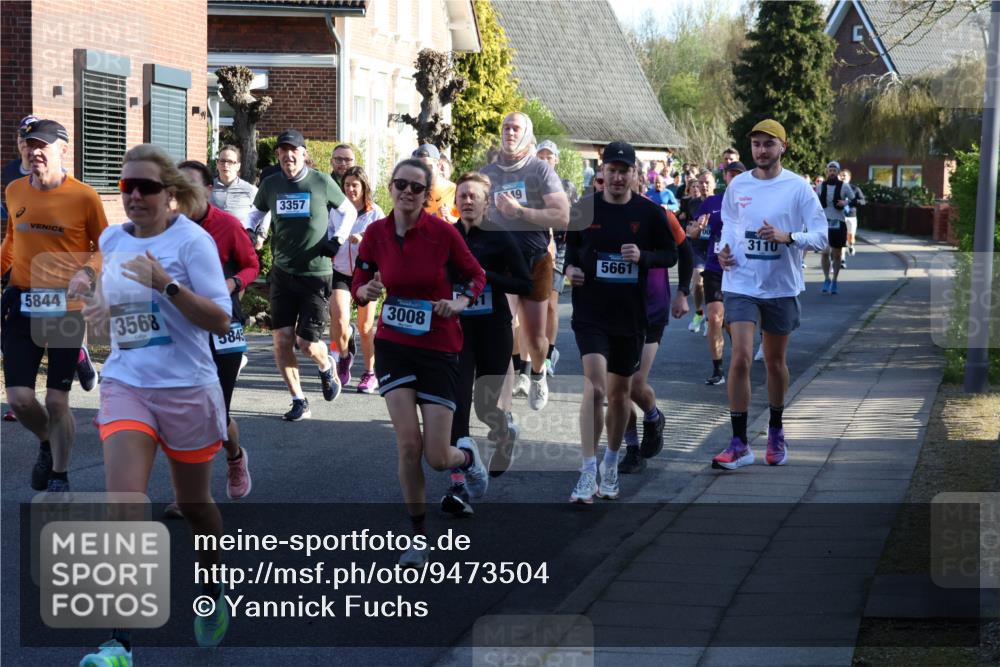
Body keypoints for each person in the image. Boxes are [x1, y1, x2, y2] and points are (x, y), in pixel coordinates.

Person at [79, 144, 233, 665]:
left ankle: (213, 590)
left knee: (194, 507)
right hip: (128, 384)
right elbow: (109, 310)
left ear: (171, 195)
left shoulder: (194, 243)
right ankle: (118, 640)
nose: (136, 196)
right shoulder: (112, 238)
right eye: (128, 187)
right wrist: (96, 308)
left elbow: (219, 320)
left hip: (187, 387)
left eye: (147, 187)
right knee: (124, 506)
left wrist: (165, 285)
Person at [353, 158, 488, 566]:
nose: (407, 193)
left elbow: (476, 276)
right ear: (390, 188)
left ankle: (466, 457)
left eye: (416, 187)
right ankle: (417, 536)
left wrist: (459, 302)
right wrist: (366, 290)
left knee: (436, 456)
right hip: (394, 343)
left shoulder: (443, 234)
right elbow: (358, 280)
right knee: (408, 444)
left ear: (427, 194)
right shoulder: (375, 234)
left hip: (439, 346)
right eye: (401, 185)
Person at [564, 141, 677, 502]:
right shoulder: (583, 208)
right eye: (611, 170)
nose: (616, 176)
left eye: (623, 170)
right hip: (590, 314)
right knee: (595, 389)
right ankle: (587, 470)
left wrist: (643, 256)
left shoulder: (650, 213)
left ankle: (611, 463)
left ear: (634, 174)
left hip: (630, 317)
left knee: (618, 395)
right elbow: (572, 251)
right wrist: (570, 270)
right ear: (602, 172)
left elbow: (672, 254)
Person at [713, 119, 827, 470]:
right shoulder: (738, 185)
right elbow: (730, 223)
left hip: (780, 285)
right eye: (756, 144)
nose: (761, 150)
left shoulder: (798, 188)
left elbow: (822, 236)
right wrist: (723, 249)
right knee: (741, 358)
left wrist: (788, 237)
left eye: (768, 144)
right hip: (741, 282)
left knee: (775, 363)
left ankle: (776, 430)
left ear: (783, 147)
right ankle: (739, 443)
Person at [0, 119, 107, 492]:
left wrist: (88, 275)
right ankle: (47, 441)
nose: (35, 151)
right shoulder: (14, 190)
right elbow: (12, 240)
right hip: (23, 301)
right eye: (30, 145)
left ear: (64, 149)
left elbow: (103, 248)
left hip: (65, 306)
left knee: (57, 400)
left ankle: (60, 472)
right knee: (20, 398)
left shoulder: (84, 197)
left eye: (43, 145)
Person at [248, 129, 357, 420]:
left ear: (304, 153)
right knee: (282, 339)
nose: (288, 156)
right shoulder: (271, 185)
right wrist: (250, 230)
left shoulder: (320, 181)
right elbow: (255, 213)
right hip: (283, 273)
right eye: (283, 151)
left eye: (293, 150)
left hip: (316, 272)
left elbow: (349, 212)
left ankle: (326, 366)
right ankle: (298, 399)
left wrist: (338, 239)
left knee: (306, 343)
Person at [442, 172, 533, 515]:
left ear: (485, 201)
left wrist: (482, 275)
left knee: (485, 406)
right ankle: (458, 486)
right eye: (462, 195)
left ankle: (505, 430)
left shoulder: (500, 237)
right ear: (456, 201)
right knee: (457, 403)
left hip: (494, 327)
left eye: (473, 196)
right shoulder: (445, 236)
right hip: (458, 329)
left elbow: (524, 283)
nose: (467, 200)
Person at [174, 160, 260, 505]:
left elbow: (252, 263)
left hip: (225, 326)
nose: (182, 194)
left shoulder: (226, 225)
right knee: (187, 410)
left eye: (190, 186)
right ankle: (190, 494)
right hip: (183, 326)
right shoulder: (168, 228)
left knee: (215, 414)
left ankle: (235, 457)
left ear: (208, 190)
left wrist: (234, 282)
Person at [480, 112, 570, 411]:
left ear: (527, 134)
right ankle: (503, 412)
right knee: (502, 333)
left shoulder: (540, 171)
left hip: (535, 260)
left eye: (515, 128)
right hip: (500, 262)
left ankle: (538, 372)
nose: (509, 132)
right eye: (505, 127)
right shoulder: (488, 173)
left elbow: (561, 215)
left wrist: (520, 212)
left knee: (536, 338)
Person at [617, 191, 693, 475]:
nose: (612, 181)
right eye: (603, 176)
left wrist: (683, 293)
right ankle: (632, 448)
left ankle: (652, 415)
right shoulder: (598, 213)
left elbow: (684, 252)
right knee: (619, 387)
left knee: (635, 384)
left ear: (635, 176)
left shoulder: (659, 213)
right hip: (616, 311)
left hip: (652, 309)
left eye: (624, 171)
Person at [688, 161, 747, 386]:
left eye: (739, 175)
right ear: (725, 178)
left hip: (741, 269)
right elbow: (692, 232)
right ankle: (718, 369)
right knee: (714, 318)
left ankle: (741, 361)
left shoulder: (753, 202)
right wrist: (698, 228)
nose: (734, 178)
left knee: (733, 322)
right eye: (731, 174)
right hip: (714, 268)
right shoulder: (712, 202)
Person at [329, 165, 383, 394]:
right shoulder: (336, 210)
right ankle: (343, 356)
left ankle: (370, 373)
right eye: (347, 185)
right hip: (340, 271)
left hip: (366, 274)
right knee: (339, 318)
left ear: (364, 187)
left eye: (355, 185)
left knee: (365, 327)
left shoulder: (375, 213)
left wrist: (363, 238)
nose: (350, 189)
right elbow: (328, 234)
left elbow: (382, 242)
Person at [535, 139, 577, 376]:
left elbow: (571, 219)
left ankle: (549, 354)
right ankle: (531, 353)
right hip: (534, 246)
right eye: (540, 157)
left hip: (558, 249)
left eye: (548, 157)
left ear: (556, 160)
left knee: (550, 305)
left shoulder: (566, 186)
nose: (544, 161)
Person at [817, 160, 854, 294]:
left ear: (838, 172)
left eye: (834, 170)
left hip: (838, 222)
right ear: (827, 172)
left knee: (837, 254)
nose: (832, 172)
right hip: (824, 222)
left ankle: (835, 280)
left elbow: (854, 199)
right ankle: (827, 278)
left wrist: (846, 202)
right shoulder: (821, 186)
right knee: (825, 252)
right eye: (830, 170)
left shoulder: (844, 186)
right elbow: (814, 201)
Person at [210, 144, 261, 230]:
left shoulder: (250, 190)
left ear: (238, 166)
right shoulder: (207, 188)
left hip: (239, 239)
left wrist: (261, 235)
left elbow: (264, 209)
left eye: (230, 162)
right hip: (213, 239)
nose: (225, 165)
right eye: (222, 161)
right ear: (217, 164)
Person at [680, 175, 708, 334]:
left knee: (714, 287)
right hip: (697, 248)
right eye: (697, 185)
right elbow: (690, 224)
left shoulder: (720, 202)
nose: (701, 187)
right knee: (698, 283)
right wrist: (694, 228)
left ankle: (712, 319)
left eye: (704, 184)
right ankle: (699, 314)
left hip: (714, 248)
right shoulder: (693, 203)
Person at [413, 144, 458, 223]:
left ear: (438, 165)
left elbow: (467, 223)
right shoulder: (413, 191)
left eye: (427, 167)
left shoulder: (454, 190)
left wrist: (450, 218)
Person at [839, 168, 864, 259]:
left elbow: (863, 200)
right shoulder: (836, 189)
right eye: (841, 175)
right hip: (840, 216)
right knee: (841, 238)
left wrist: (851, 202)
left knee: (851, 237)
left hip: (851, 216)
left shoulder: (855, 189)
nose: (842, 177)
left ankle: (850, 245)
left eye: (844, 175)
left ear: (849, 177)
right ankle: (842, 259)